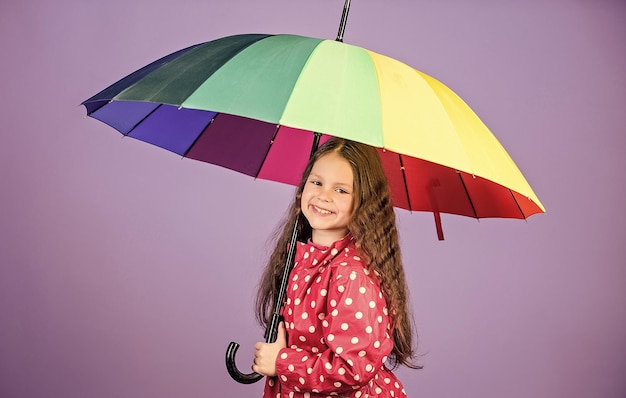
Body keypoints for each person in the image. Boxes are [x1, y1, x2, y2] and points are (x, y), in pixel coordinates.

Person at [253, 138, 419, 397]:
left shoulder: (350, 274)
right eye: (317, 182)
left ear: (365, 201)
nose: (323, 196)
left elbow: (353, 368)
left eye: (341, 190)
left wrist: (281, 362)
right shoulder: (301, 258)